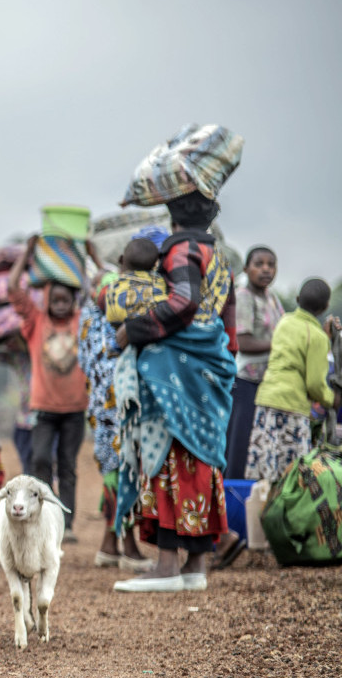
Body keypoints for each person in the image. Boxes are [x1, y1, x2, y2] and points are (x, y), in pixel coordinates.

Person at [112, 190, 238, 593]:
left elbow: (183, 303)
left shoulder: (182, 249)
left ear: (173, 217)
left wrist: (131, 330)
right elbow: (228, 325)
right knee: (201, 458)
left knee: (168, 453)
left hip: (177, 365)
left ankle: (167, 565)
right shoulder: (220, 257)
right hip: (210, 365)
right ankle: (196, 564)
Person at [7, 235, 88, 541]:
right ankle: (44, 516)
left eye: (66, 300)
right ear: (47, 300)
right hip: (43, 408)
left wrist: (85, 257)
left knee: (67, 465)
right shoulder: (36, 322)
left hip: (75, 410)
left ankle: (65, 525)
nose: (60, 305)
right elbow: (14, 289)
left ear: (73, 301)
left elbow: (95, 297)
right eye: (55, 300)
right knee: (40, 459)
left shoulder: (82, 321)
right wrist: (27, 253)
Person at [80, 266, 151, 571]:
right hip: (113, 414)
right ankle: (127, 545)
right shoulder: (107, 328)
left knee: (118, 474)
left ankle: (110, 545)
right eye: (104, 289)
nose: (109, 295)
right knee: (122, 474)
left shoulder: (92, 322)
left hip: (104, 412)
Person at [245, 279, 340, 491]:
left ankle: (260, 516)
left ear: (297, 299)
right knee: (293, 476)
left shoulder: (285, 321)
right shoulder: (317, 337)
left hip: (266, 400)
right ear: (325, 307)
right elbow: (315, 383)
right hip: (290, 406)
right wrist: (331, 399)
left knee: (267, 470)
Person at [223, 246, 283, 480]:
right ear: (247, 269)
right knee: (240, 445)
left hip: (266, 384)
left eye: (271, 264)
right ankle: (233, 503)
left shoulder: (272, 298)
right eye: (259, 264)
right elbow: (243, 341)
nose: (266, 269)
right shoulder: (244, 296)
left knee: (259, 447)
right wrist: (282, 344)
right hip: (244, 382)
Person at [105, 238, 167, 324]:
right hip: (156, 324)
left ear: (121, 259)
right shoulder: (159, 280)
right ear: (155, 265)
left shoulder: (114, 285)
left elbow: (111, 316)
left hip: (122, 328)